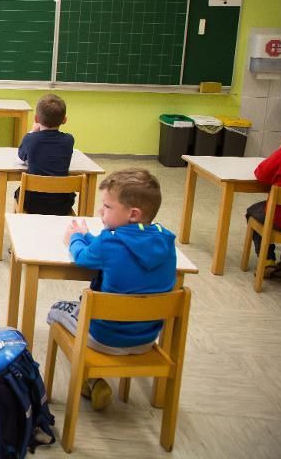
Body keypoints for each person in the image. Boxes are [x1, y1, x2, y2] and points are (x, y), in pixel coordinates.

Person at [47, 168, 176, 411]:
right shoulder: (165, 242)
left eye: (107, 207)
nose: (100, 211)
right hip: (146, 339)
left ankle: (91, 379)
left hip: (104, 338)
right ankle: (94, 382)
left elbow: (83, 258)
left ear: (133, 214)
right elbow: (117, 247)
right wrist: (89, 235)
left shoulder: (109, 243)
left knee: (56, 311)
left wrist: (74, 239)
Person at [244, 107, 281, 279]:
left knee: (253, 212)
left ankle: (267, 260)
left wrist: (280, 151)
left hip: (279, 218)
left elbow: (261, 174)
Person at [16, 93, 75, 215]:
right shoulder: (69, 140)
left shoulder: (30, 139)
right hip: (62, 204)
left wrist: (32, 131)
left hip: (33, 203)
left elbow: (21, 156)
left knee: (19, 191)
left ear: (36, 119)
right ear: (64, 120)